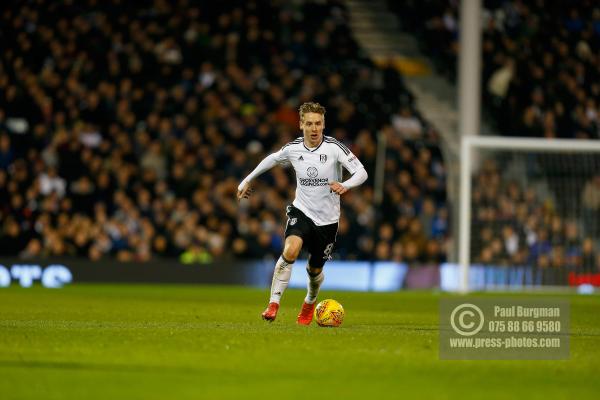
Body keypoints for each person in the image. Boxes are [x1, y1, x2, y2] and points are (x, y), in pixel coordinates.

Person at [237, 102, 368, 324]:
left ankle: (309, 303)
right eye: (309, 124)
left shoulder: (334, 148)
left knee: (314, 270)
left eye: (318, 123)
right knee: (291, 250)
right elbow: (272, 159)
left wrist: (346, 185)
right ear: (301, 125)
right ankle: (273, 304)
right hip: (302, 211)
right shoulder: (294, 148)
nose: (314, 128)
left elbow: (361, 172)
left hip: (327, 221)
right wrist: (247, 179)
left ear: (324, 124)